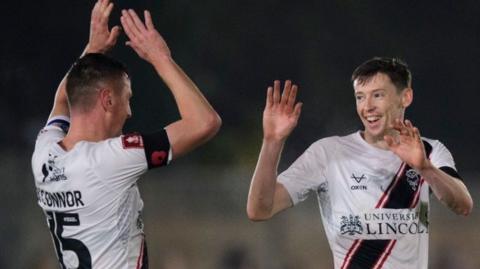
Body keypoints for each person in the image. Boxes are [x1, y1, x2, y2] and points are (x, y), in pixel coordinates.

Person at [31, 0, 221, 268]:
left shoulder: (44, 155)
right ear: (107, 100)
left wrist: (91, 52)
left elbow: (62, 100)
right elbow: (205, 122)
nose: (129, 111)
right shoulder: (110, 159)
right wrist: (161, 59)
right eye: (127, 98)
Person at [246, 58, 473, 269]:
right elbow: (260, 209)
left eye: (378, 95)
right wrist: (272, 142)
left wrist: (425, 168)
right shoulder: (329, 153)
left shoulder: (430, 151)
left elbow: (463, 205)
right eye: (360, 97)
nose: (367, 106)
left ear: (406, 97)